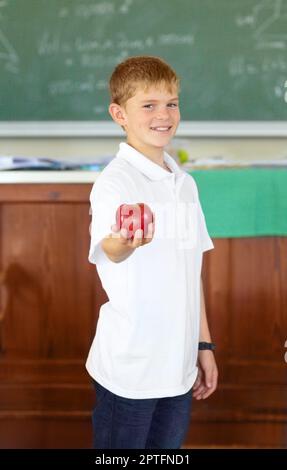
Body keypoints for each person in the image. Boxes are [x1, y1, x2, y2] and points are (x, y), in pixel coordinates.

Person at [86, 55, 218, 449]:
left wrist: (203, 345)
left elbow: (191, 271)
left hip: (177, 368)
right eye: (148, 105)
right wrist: (123, 242)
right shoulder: (115, 182)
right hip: (131, 369)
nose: (164, 115)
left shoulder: (185, 184)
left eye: (171, 103)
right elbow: (110, 250)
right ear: (118, 113)